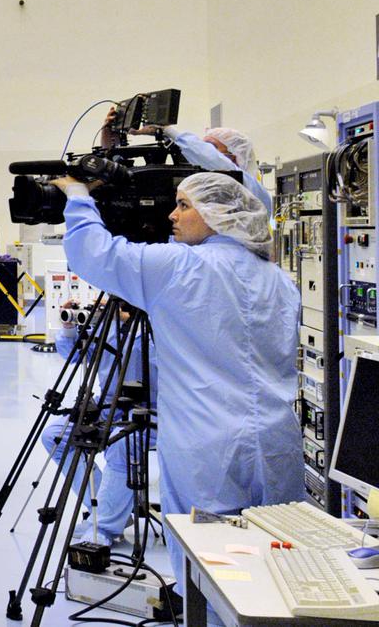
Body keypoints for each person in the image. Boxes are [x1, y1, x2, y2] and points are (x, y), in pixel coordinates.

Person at [53, 170, 302, 587]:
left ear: (219, 215)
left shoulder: (179, 267)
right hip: (278, 443)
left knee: (210, 567)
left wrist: (79, 196)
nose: (171, 215)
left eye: (184, 205)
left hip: (207, 450)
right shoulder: (278, 280)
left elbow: (94, 253)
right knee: (276, 565)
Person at [44, 307, 158, 545]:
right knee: (55, 436)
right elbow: (74, 356)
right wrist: (69, 328)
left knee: (122, 444)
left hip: (151, 409)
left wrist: (133, 320)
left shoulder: (156, 324)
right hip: (107, 405)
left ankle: (103, 527)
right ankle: (104, 508)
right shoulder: (108, 325)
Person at [104, 108, 271, 212]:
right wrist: (110, 137)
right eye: (202, 146)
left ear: (234, 157)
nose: (202, 152)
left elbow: (217, 163)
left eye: (210, 147)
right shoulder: (201, 190)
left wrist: (169, 131)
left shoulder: (253, 192)